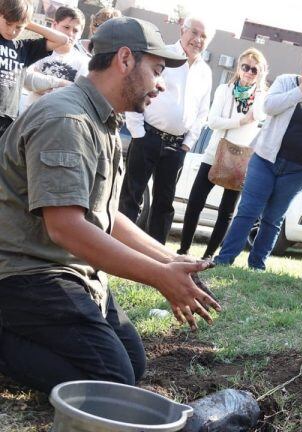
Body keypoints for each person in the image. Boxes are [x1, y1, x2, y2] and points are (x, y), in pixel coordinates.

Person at [0, 16, 220, 394]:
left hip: (68, 271)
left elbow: (103, 214)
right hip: (25, 272)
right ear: (124, 60)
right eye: (157, 70)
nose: (161, 84)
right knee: (112, 381)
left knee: (131, 366)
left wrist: (167, 260)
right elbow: (66, 227)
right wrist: (158, 277)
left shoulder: (100, 119)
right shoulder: (66, 118)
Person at [214, 48, 302, 270]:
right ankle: (224, 260)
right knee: (248, 211)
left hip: (296, 170)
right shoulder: (285, 82)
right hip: (265, 161)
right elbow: (269, 107)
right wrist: (300, 91)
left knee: (273, 219)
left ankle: (257, 265)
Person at [119, 17, 213, 244]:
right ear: (182, 30)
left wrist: (187, 144)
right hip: (147, 136)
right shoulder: (163, 56)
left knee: (164, 203)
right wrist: (137, 133)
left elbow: (202, 113)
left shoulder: (206, 72)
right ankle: (121, 245)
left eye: (204, 36)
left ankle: (156, 253)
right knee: (132, 196)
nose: (198, 40)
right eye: (194, 32)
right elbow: (136, 89)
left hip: (176, 146)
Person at [177, 48, 268, 260]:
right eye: (245, 67)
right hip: (215, 153)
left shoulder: (262, 97)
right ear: (238, 67)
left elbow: (261, 115)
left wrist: (259, 88)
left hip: (240, 158)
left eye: (254, 69)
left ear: (261, 72)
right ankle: (183, 250)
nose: (248, 72)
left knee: (226, 210)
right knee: (195, 202)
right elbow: (212, 121)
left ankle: (209, 255)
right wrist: (241, 121)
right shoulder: (225, 90)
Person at [0, 0, 69, 136]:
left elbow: (62, 40)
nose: (12, 31)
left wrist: (26, 21)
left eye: (19, 27)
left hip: (8, 120)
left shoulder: (24, 48)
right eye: (8, 23)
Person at [22, 6, 89, 109]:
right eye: (66, 27)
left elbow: (78, 94)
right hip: (30, 115)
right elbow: (27, 80)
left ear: (80, 34)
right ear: (54, 25)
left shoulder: (83, 62)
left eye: (75, 30)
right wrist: (63, 84)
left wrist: (43, 83)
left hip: (59, 120)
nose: (70, 33)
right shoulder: (39, 50)